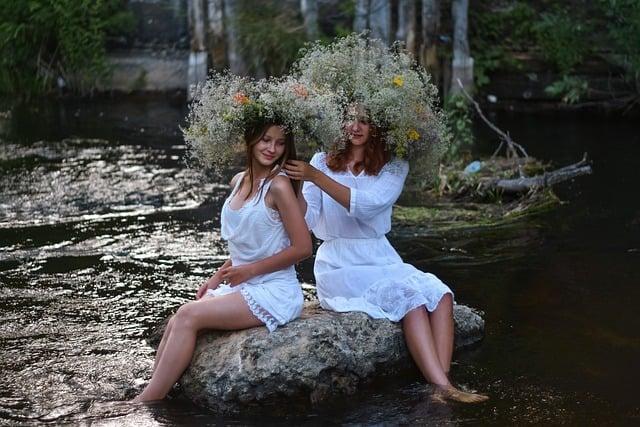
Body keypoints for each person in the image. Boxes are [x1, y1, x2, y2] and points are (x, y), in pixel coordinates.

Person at [284, 106, 488, 403]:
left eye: (364, 121)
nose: (354, 126)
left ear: (379, 128)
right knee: (411, 301)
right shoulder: (321, 161)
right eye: (349, 118)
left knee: (441, 294)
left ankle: (441, 387)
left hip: (381, 255)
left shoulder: (393, 166)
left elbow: (367, 205)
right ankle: (444, 388)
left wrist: (316, 177)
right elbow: (309, 219)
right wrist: (300, 185)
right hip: (340, 262)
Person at [133, 122, 311, 402]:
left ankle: (144, 403)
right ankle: (154, 391)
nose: (272, 149)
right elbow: (247, 247)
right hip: (243, 284)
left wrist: (249, 271)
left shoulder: (278, 186)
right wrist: (217, 278)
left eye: (279, 143)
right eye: (265, 140)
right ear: (251, 140)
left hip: (274, 290)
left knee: (189, 316)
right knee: (180, 315)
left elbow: (303, 247)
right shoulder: (239, 180)